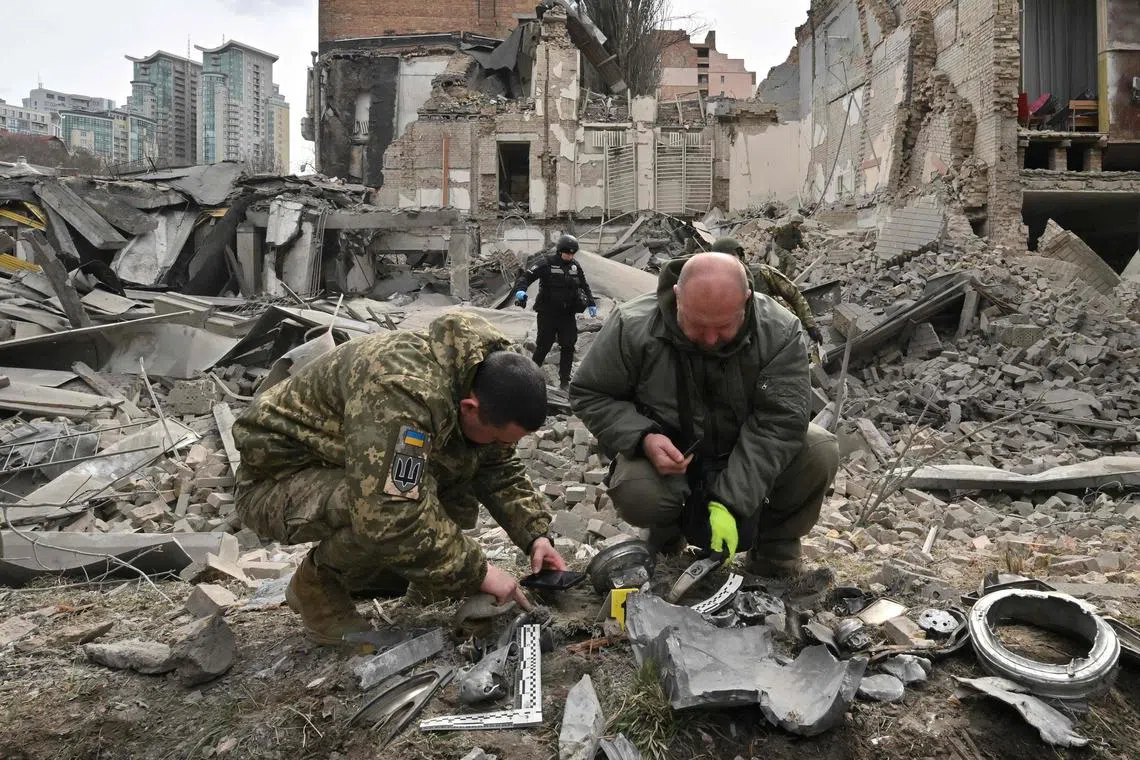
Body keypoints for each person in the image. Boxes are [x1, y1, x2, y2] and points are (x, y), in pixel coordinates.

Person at [232, 312, 567, 644]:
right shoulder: (403, 395)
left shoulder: (482, 367)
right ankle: (317, 583)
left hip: (341, 460)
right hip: (277, 479)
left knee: (456, 471)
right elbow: (388, 512)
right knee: (380, 510)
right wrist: (476, 571)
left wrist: (536, 536)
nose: (500, 447)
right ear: (469, 408)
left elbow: (498, 464)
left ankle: (407, 574)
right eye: (497, 437)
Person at [569, 252, 839, 576]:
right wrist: (643, 437)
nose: (710, 340)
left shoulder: (780, 332)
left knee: (819, 451)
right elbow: (590, 392)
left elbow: (780, 422)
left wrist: (730, 500)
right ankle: (665, 541)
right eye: (697, 326)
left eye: (724, 327)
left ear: (746, 301)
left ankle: (775, 555)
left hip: (742, 454)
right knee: (638, 489)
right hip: (673, 458)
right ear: (678, 297)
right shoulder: (633, 326)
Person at [513, 234, 597, 390]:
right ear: (559, 251)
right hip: (548, 314)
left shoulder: (575, 266)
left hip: (567, 315)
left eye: (572, 253)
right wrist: (520, 291)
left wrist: (591, 303)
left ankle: (564, 381)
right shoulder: (546, 263)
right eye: (567, 253)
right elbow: (525, 277)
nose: (570, 256)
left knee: (568, 346)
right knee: (543, 346)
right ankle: (530, 379)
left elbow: (584, 286)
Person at [710, 237, 824, 344]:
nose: (729, 261)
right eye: (723, 258)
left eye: (732, 256)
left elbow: (794, 295)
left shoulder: (762, 272)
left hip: (773, 333)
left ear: (740, 255)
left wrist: (810, 325)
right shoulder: (712, 284)